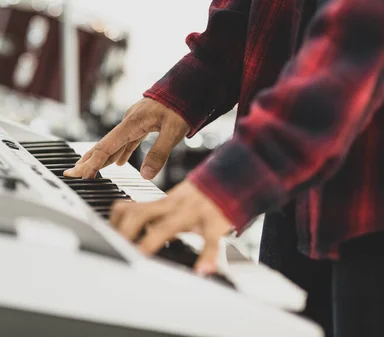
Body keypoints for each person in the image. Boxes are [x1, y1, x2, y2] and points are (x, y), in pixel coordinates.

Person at [64, 1, 384, 336]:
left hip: (368, 204)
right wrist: (187, 87)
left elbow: (363, 39)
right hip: (296, 198)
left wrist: (241, 175)